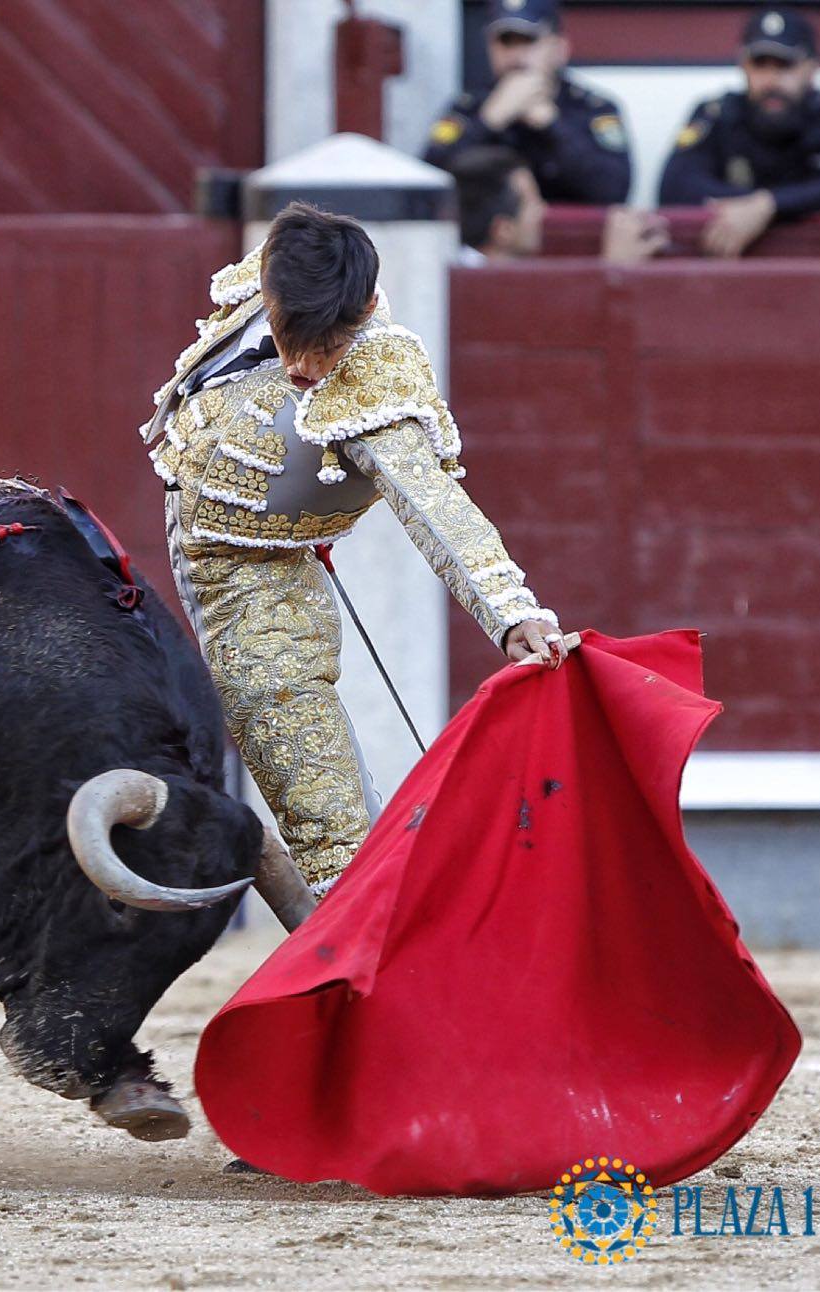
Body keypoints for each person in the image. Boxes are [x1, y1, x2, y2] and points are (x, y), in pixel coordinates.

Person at [140, 203, 569, 897]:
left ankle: (384, 964)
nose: (307, 366)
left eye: (329, 345)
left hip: (260, 588)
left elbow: (434, 504)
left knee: (329, 826)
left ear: (365, 310)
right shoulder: (273, 280)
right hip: (208, 553)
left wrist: (512, 613)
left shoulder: (375, 377)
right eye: (291, 337)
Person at [659, 8, 820, 258]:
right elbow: (675, 186)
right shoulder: (717, 114)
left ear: (813, 67)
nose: (771, 79)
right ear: (743, 66)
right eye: (760, 65)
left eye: (785, 65)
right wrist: (762, 206)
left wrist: (770, 205)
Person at [425, 0, 631, 205]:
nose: (515, 55)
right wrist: (488, 121)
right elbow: (430, 184)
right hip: (490, 236)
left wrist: (551, 125)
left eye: (528, 41)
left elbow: (613, 191)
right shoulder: (469, 108)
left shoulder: (590, 108)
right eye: (505, 42)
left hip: (566, 234)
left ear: (559, 48)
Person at [450, 145, 669, 264]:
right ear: (504, 230)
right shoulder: (486, 292)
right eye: (533, 203)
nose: (543, 210)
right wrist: (613, 271)